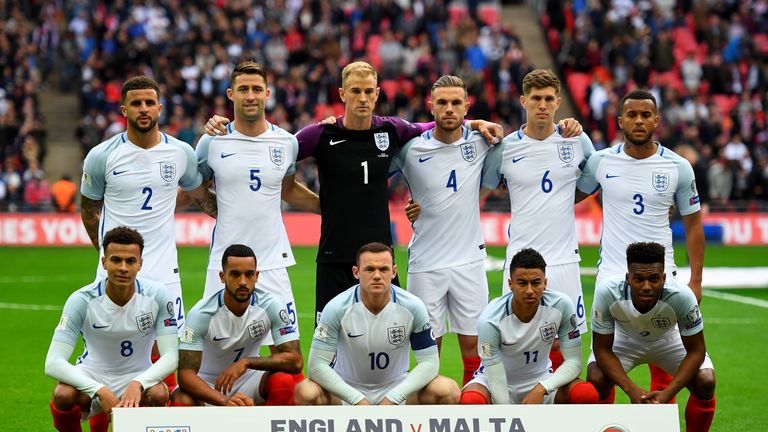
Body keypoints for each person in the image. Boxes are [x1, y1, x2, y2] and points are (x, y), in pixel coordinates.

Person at [204, 61, 509, 322]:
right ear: (342, 94)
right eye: (355, 91)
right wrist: (227, 128)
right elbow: (270, 152)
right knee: (328, 347)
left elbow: (437, 125)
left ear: (377, 94)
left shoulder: (392, 130)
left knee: (392, 341)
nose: (362, 98)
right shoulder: (318, 135)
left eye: (368, 91)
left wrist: (473, 121)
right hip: (334, 256)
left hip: (381, 260)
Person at [576, 89, 705, 395]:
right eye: (631, 114)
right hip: (612, 281)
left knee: (668, 366)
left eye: (645, 115)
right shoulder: (600, 162)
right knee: (598, 378)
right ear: (620, 120)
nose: (638, 120)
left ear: (656, 120)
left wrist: (696, 281)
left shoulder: (677, 167)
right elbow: (566, 197)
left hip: (664, 280)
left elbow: (694, 225)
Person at [190, 62, 319, 349]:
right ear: (231, 94)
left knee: (288, 355)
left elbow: (288, 189)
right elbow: (197, 190)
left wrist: (329, 208)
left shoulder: (286, 143)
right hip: (224, 264)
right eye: (243, 89)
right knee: (212, 352)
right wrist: (221, 211)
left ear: (267, 94)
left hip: (272, 262)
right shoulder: (211, 142)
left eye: (257, 89)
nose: (251, 95)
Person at [480, 69, 594, 369]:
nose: (542, 105)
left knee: (567, 345)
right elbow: (481, 188)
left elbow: (595, 178)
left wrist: (565, 198)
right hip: (519, 260)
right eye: (535, 98)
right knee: (513, 340)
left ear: (558, 102)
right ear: (523, 101)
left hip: (564, 260)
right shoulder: (504, 149)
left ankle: (560, 410)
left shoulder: (578, 141)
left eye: (548, 99)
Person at [80, 76, 209, 332]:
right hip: (117, 272)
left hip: (165, 273)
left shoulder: (181, 152)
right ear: (124, 110)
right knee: (110, 350)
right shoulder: (101, 156)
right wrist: (107, 256)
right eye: (136, 103)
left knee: (170, 354)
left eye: (150, 102)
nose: (144, 109)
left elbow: (201, 197)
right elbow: (88, 212)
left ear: (160, 108)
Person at [390, 75, 491, 386]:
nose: (449, 109)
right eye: (442, 103)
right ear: (430, 106)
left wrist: (479, 126)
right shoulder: (409, 149)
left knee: (476, 350)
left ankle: (472, 410)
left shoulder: (483, 142)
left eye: (456, 103)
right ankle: (429, 416)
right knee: (427, 352)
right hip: (426, 264)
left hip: (469, 261)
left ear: (466, 107)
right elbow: (370, 164)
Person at [45, 227, 178, 431]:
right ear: (104, 262)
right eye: (116, 260)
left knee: (159, 393)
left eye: (131, 261)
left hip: (138, 374)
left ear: (140, 264)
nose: (123, 268)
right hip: (93, 374)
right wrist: (99, 390)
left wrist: (138, 383)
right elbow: (53, 363)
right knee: (63, 394)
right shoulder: (81, 300)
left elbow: (171, 356)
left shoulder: (158, 295)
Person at [293, 242, 459, 405]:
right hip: (346, 389)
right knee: (305, 392)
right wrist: (356, 399)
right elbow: (316, 366)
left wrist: (394, 397)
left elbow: (430, 363)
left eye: (384, 269)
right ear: (356, 272)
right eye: (370, 269)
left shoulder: (412, 306)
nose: (377, 275)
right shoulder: (337, 308)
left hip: (396, 388)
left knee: (446, 390)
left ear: (393, 272)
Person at [588, 242, 715, 431]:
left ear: (663, 278)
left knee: (706, 380)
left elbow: (697, 351)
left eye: (654, 279)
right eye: (638, 279)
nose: (646, 286)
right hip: (625, 340)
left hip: (668, 340)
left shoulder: (682, 296)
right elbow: (601, 348)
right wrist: (632, 391)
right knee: (596, 377)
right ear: (628, 278)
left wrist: (667, 394)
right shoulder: (607, 292)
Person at [460, 248, 598, 405]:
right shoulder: (491, 319)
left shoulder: (561, 305)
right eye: (522, 283)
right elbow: (496, 382)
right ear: (510, 284)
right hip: (496, 383)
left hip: (542, 380)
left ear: (545, 283)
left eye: (536, 283)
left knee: (586, 393)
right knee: (471, 400)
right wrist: (512, 417)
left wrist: (541, 388)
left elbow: (574, 363)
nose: (530, 290)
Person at [172, 244, 303, 407]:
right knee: (181, 399)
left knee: (283, 381)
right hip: (208, 385)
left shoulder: (271, 306)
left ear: (257, 276)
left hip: (249, 380)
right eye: (235, 274)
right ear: (222, 276)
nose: (243, 282)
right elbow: (185, 375)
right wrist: (224, 400)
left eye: (249, 275)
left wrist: (246, 362)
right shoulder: (201, 314)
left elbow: (295, 361)